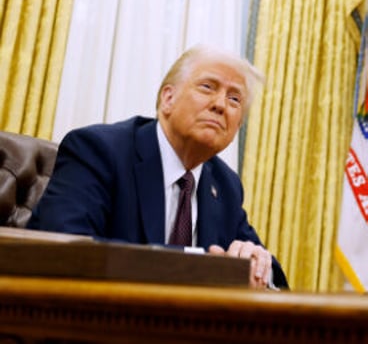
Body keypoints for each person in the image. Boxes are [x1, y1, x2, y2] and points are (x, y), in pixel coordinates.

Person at [28, 45, 288, 290]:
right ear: (168, 98)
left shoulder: (225, 184)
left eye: (234, 100)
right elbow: (64, 247)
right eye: (208, 87)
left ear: (237, 127)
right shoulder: (99, 150)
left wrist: (257, 264)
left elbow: (278, 280)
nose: (220, 105)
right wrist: (202, 266)